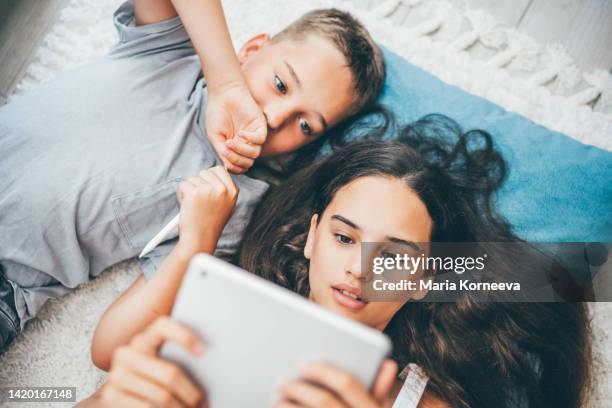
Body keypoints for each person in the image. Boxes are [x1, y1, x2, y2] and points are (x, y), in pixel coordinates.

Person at [82, 115, 591, 407]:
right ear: (311, 238)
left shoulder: (419, 402)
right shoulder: (218, 306)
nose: (360, 269)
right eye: (345, 239)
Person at [0, 0, 385, 352]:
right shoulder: (172, 54)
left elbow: (109, 346)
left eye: (305, 126)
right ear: (251, 51)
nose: (273, 118)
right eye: (280, 84)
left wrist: (196, 242)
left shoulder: (233, 204)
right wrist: (225, 84)